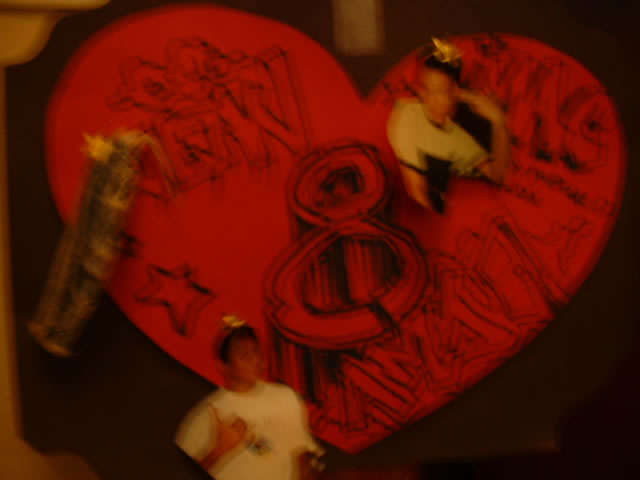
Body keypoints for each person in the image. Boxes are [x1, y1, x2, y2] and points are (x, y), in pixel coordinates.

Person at [175, 315, 325, 480]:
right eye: (244, 354)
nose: (254, 359)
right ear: (223, 366)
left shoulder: (286, 398)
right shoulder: (206, 416)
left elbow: (302, 458)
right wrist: (219, 449)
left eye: (255, 351)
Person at [387, 37, 511, 214]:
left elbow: (497, 175)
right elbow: (416, 192)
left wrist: (499, 123)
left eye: (439, 91)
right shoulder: (406, 114)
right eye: (425, 89)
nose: (430, 100)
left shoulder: (460, 137)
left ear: (455, 91)